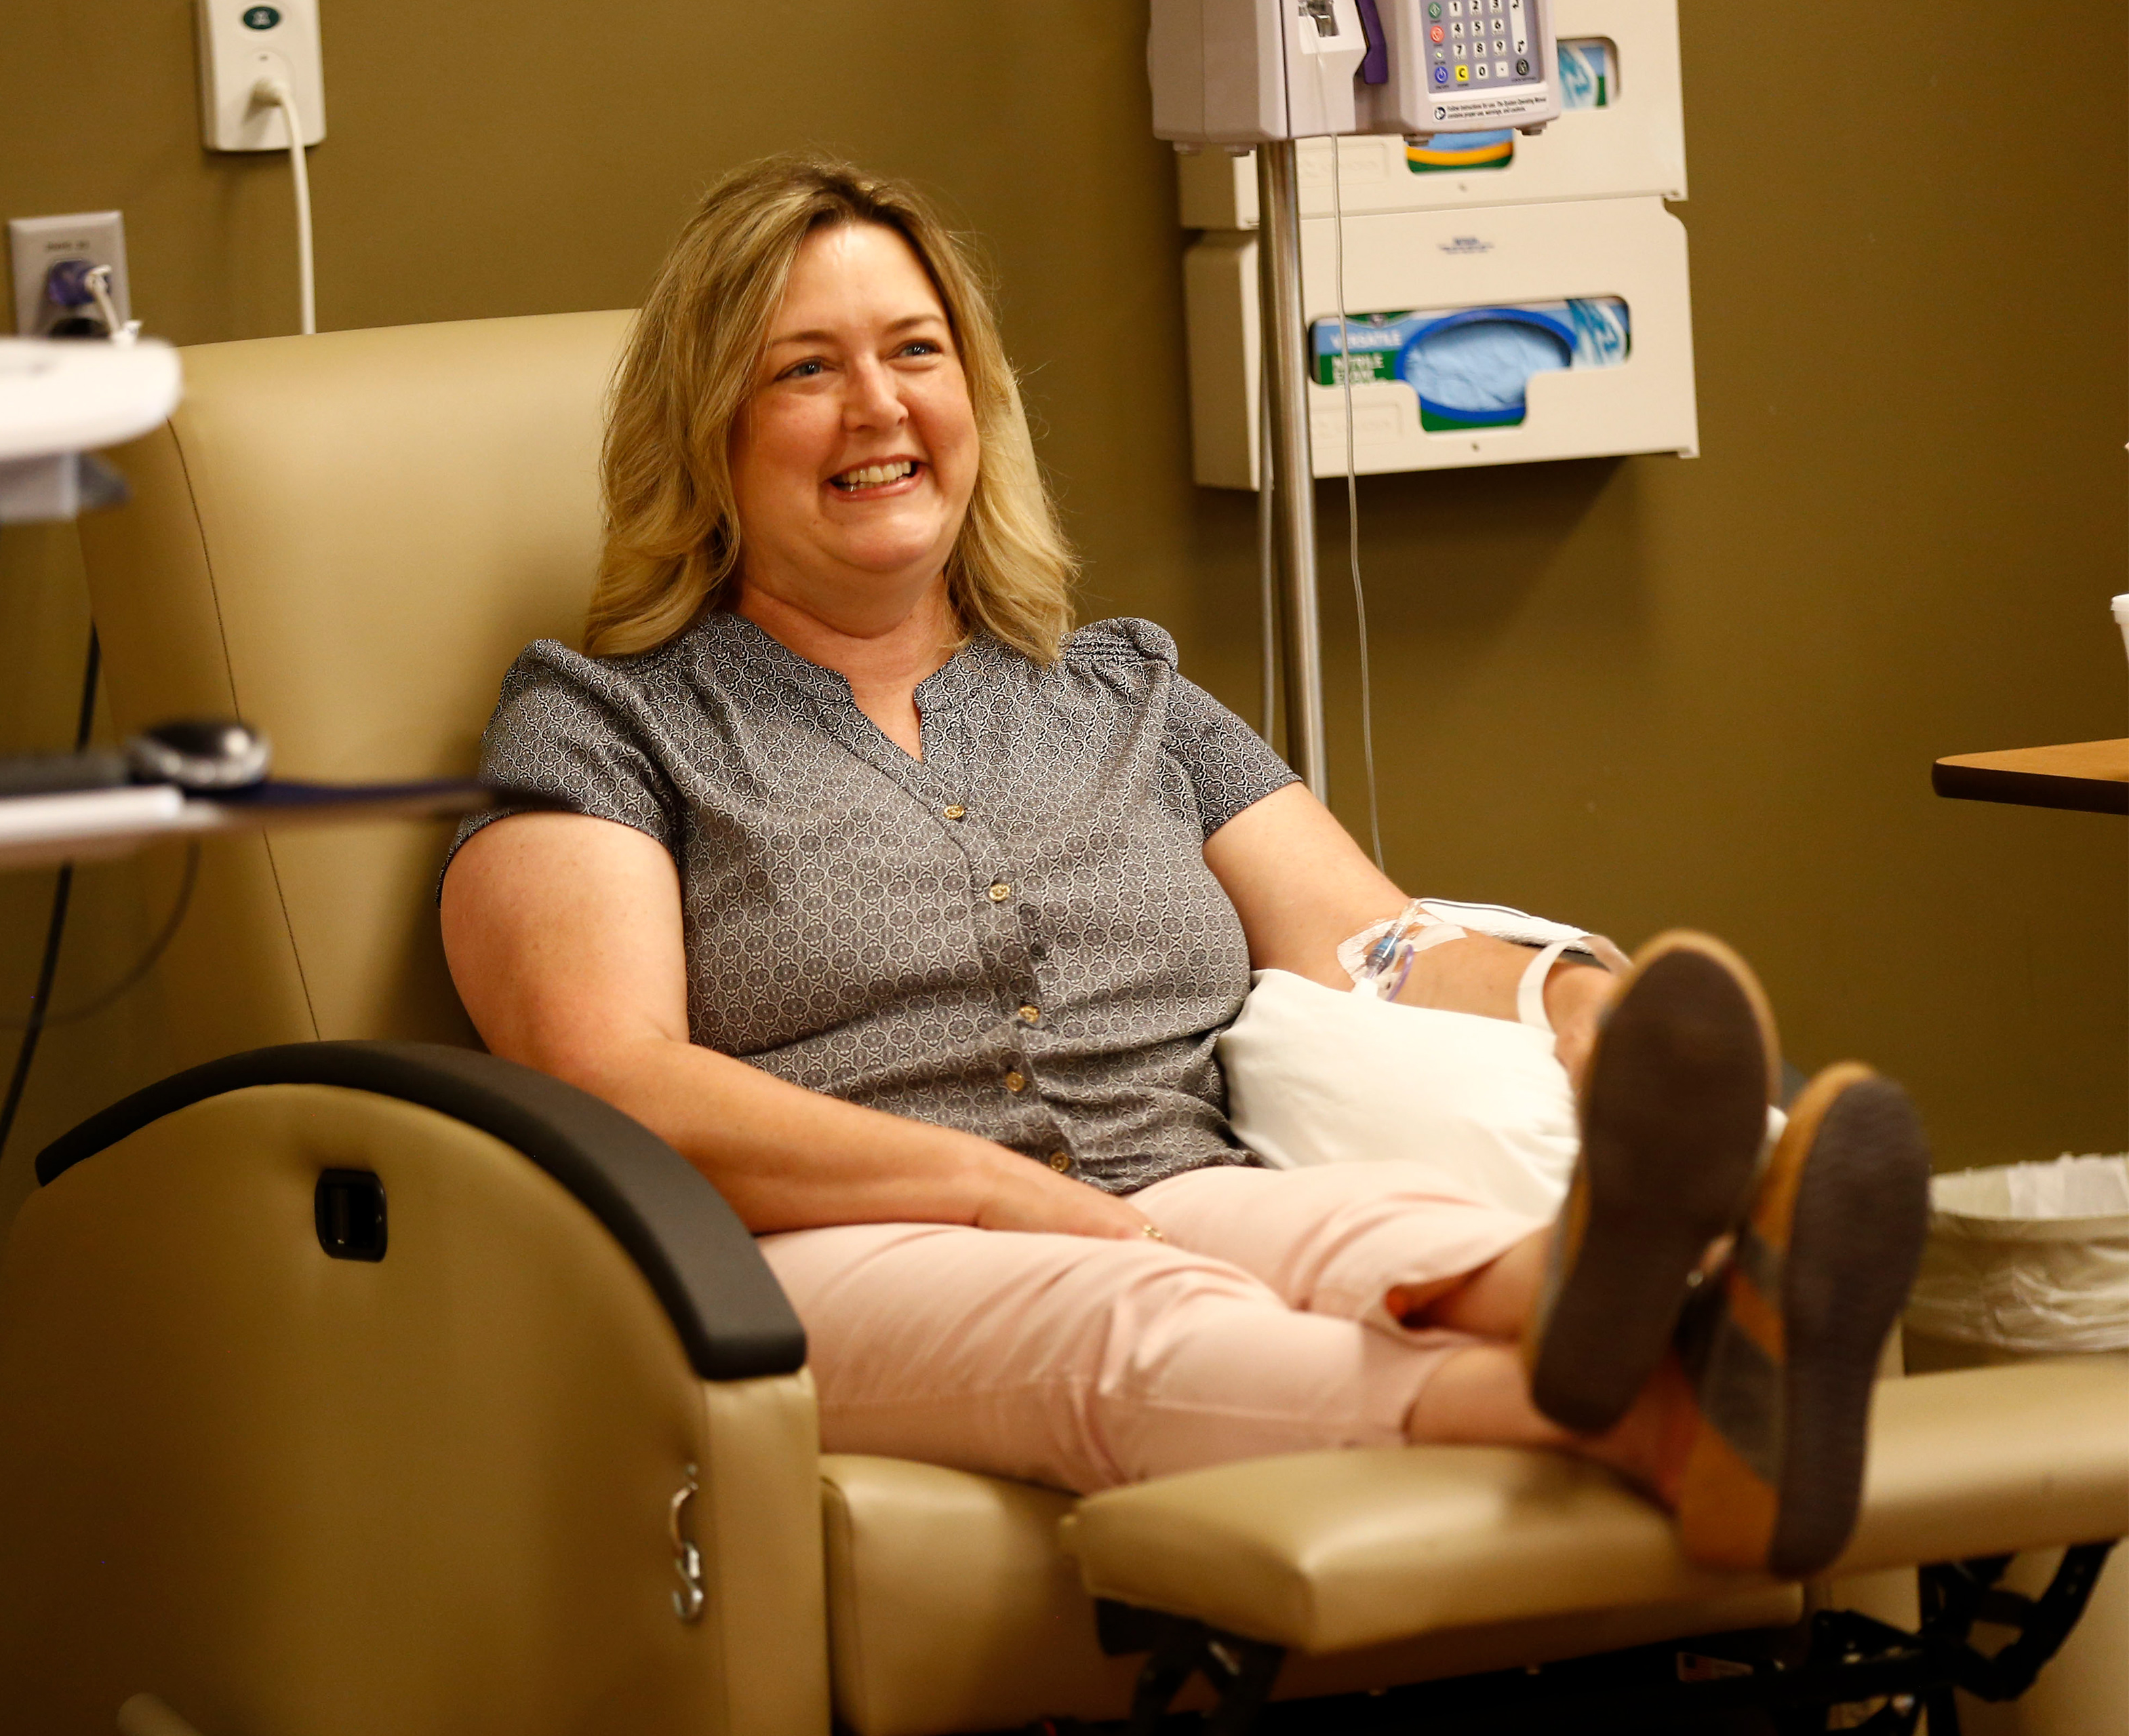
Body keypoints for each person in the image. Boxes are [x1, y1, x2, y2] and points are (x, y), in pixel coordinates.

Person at [439, 155, 1930, 1579]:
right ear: (708, 428)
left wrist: (1575, 998)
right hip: (824, 1254)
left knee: (1378, 1230)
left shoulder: (1125, 691)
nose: (879, 405)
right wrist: (980, 1187)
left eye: (916, 349)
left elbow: (1378, 947)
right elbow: (608, 1068)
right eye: (806, 368)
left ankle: (1609, 1283)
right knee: (1138, 1312)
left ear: (977, 397)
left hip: (1174, 1180)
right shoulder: (599, 717)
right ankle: (1679, 1422)